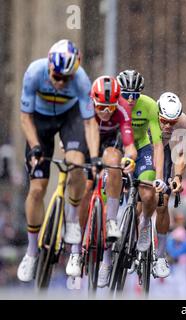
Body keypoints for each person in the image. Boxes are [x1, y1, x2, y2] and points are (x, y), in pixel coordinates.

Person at [17, 40, 100, 282]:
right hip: (40, 122)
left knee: (76, 165)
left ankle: (72, 223)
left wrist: (94, 157)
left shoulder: (81, 80)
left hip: (69, 118)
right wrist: (34, 147)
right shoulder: (34, 73)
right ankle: (32, 252)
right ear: (49, 65)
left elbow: (89, 123)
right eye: (57, 76)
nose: (61, 82)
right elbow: (25, 118)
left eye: (66, 78)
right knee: (37, 188)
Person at [97, 70, 167, 286]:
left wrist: (161, 178)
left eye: (135, 95)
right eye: (126, 94)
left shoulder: (149, 105)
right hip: (117, 147)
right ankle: (106, 261)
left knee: (148, 194)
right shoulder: (113, 104)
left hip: (142, 148)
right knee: (108, 202)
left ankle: (145, 224)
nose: (130, 99)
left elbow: (157, 144)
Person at [69, 76, 137, 278]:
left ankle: (111, 221)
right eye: (101, 107)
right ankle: (75, 252)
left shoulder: (123, 108)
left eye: (111, 108)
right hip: (86, 141)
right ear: (93, 101)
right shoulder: (84, 105)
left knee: (115, 160)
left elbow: (129, 144)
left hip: (109, 144)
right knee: (86, 186)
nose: (106, 112)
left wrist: (130, 159)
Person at [150, 92, 186, 278]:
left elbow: (180, 154)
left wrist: (178, 177)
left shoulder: (183, 122)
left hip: (164, 151)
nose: (167, 126)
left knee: (162, 202)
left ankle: (160, 255)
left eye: (171, 123)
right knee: (142, 198)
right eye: (164, 121)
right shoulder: (149, 112)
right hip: (146, 148)